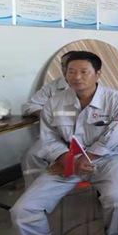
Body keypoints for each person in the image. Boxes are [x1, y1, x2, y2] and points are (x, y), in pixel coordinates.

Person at [11, 51, 118, 235]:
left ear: (98, 74)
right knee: (23, 209)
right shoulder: (54, 102)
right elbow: (49, 138)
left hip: (106, 160)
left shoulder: (115, 100)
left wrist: (85, 158)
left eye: (84, 72)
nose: (76, 77)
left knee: (115, 198)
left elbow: (113, 138)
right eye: (71, 72)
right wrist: (67, 159)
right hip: (66, 161)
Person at [20, 51, 74, 187]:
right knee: (32, 156)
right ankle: (35, 192)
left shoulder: (90, 87)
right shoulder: (53, 87)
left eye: (68, 64)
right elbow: (30, 105)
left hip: (84, 136)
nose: (65, 68)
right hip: (55, 135)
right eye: (63, 65)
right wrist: (43, 114)